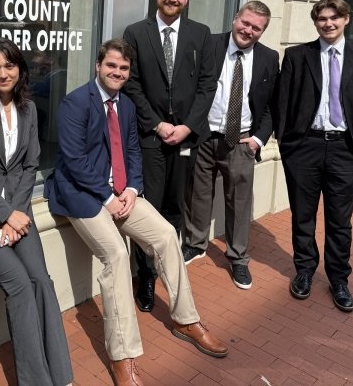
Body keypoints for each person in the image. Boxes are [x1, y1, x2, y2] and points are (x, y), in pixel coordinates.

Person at [45, 39, 227, 386]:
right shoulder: (75, 103)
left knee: (166, 235)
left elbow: (131, 150)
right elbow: (73, 159)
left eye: (124, 68)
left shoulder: (126, 105)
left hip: (121, 192)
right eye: (111, 65)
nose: (117, 72)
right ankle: (122, 356)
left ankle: (186, 319)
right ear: (98, 66)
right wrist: (106, 196)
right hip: (83, 196)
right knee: (115, 254)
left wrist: (130, 190)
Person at [0, 38, 73, 386]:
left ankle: (60, 374)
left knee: (42, 281)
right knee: (19, 285)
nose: (2, 73)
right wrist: (3, 215)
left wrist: (17, 215)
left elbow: (29, 164)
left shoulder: (28, 108)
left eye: (9, 65)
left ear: (20, 69)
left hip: (19, 213)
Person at [275, 0, 353, 313]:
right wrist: (286, 145)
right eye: (322, 19)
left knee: (339, 220)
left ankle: (338, 279)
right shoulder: (297, 55)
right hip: (304, 147)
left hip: (346, 148)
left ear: (346, 19)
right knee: (303, 216)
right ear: (316, 22)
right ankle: (305, 271)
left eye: (334, 17)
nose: (328, 23)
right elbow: (284, 102)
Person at [122, 0, 216, 312]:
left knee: (176, 206)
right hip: (151, 137)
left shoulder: (201, 35)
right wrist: (158, 125)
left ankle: (166, 266)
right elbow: (131, 85)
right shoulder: (136, 33)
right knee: (148, 208)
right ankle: (144, 274)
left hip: (186, 139)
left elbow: (208, 86)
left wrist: (189, 127)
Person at [182, 1, 280, 290]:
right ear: (235, 18)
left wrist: (259, 140)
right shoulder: (209, 44)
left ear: (262, 31)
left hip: (241, 141)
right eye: (245, 23)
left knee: (239, 201)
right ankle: (195, 244)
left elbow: (272, 105)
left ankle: (238, 258)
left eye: (256, 28)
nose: (247, 30)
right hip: (204, 136)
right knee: (197, 195)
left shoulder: (269, 58)